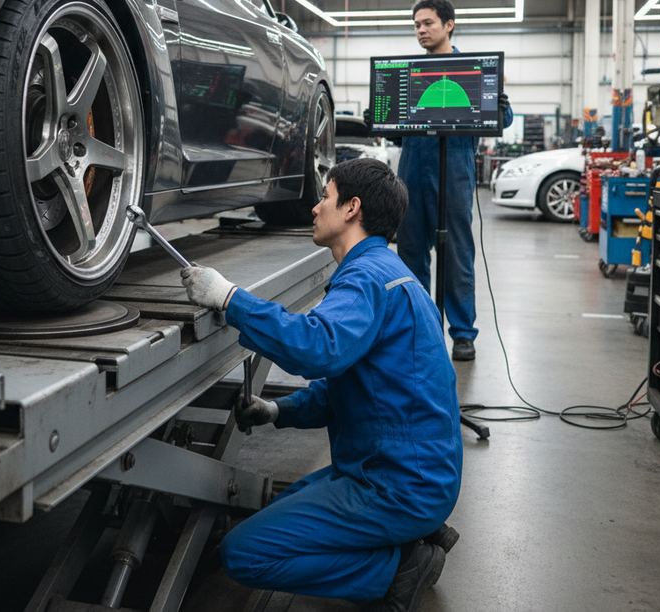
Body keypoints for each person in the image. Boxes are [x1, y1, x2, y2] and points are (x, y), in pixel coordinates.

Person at [181, 158, 462, 611]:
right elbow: (355, 386)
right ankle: (413, 531)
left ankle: (397, 570)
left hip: (397, 483)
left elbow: (317, 347)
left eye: (324, 197)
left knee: (243, 554)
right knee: (284, 505)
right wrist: (280, 411)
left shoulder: (365, 280)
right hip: (404, 470)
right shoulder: (390, 273)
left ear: (352, 208)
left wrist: (229, 299)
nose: (314, 208)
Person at [396, 0, 513, 362]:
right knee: (411, 251)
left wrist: (495, 101)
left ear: (449, 25)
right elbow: (400, 131)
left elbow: (505, 119)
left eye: (427, 23)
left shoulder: (474, 70)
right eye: (416, 25)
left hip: (455, 167)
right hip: (413, 166)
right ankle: (418, 327)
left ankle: (463, 334)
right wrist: (382, 120)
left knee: (457, 253)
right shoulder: (409, 72)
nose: (421, 30)